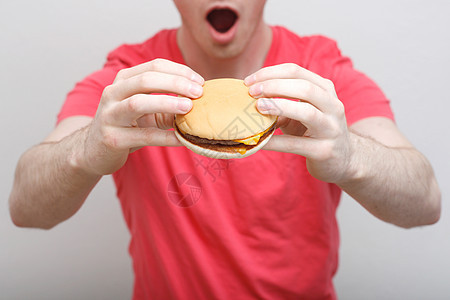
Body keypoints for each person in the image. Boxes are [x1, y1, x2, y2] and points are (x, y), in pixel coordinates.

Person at [9, 0, 441, 299]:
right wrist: (86, 149)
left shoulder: (320, 74)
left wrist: (351, 157)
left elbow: (425, 203)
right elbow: (25, 207)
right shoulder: (130, 83)